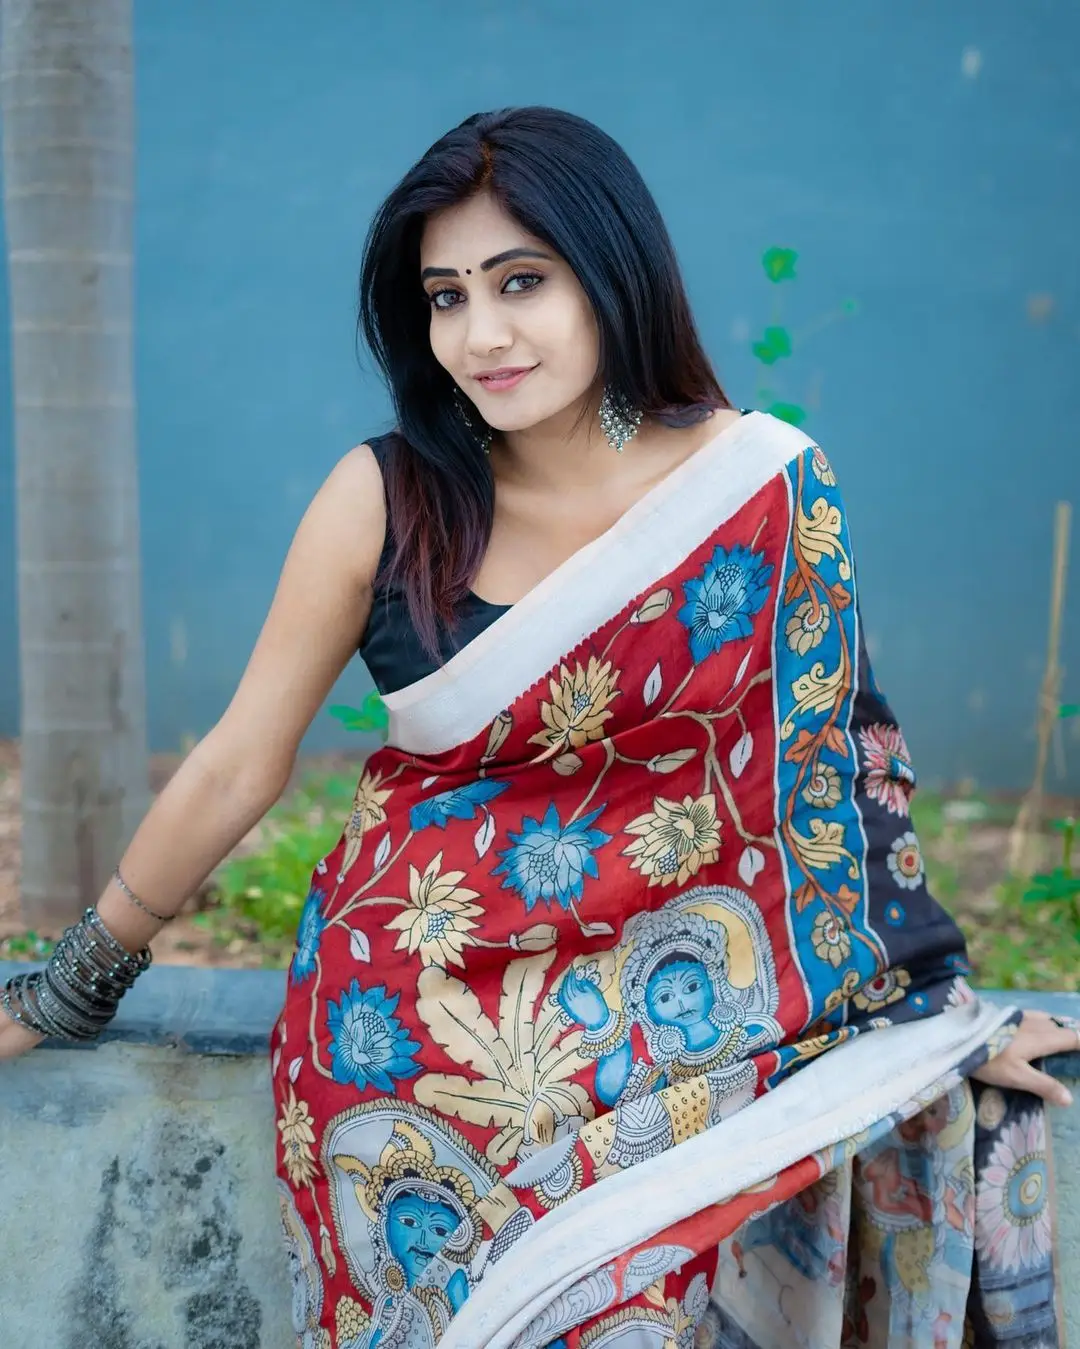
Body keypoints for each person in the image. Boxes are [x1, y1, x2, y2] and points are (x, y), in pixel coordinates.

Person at [2, 105, 1077, 1349]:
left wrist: (935, 1007)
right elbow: (244, 756)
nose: (482, 334)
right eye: (445, 296)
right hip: (404, 1038)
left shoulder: (758, 487)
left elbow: (840, 755)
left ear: (615, 275)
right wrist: (78, 982)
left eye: (523, 282)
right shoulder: (389, 498)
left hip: (682, 1017)